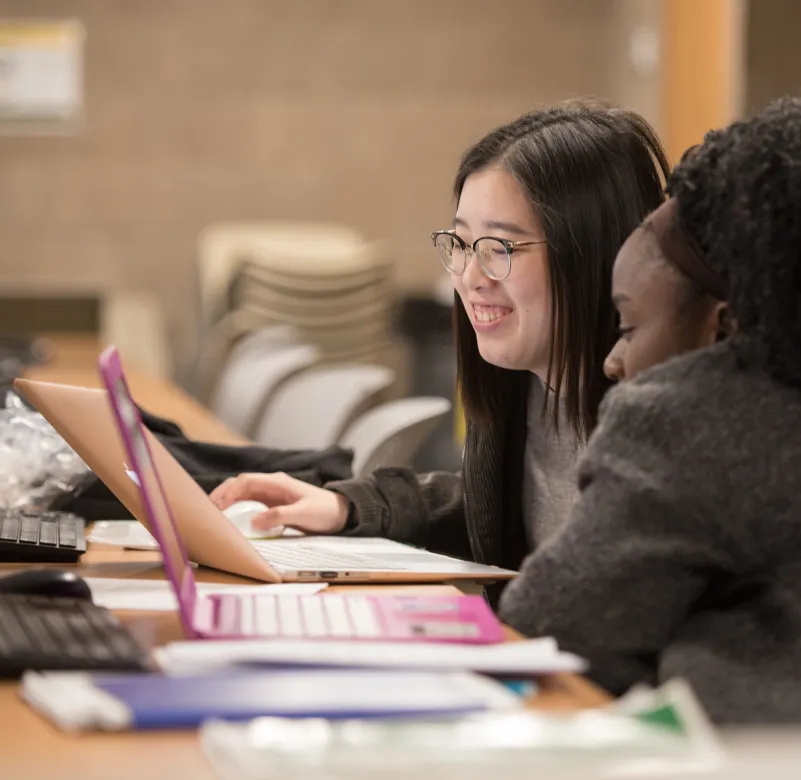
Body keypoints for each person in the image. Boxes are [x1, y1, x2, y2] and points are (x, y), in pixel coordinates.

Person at [499, 94, 801, 723]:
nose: (612, 359)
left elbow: (551, 627)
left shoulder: (701, 413)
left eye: (628, 326)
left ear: (724, 332)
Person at [210, 100, 670, 604]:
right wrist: (347, 508)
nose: (470, 278)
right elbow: (488, 510)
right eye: (462, 244)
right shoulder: (523, 387)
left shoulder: (664, 442)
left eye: (500, 249)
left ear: (592, 254)